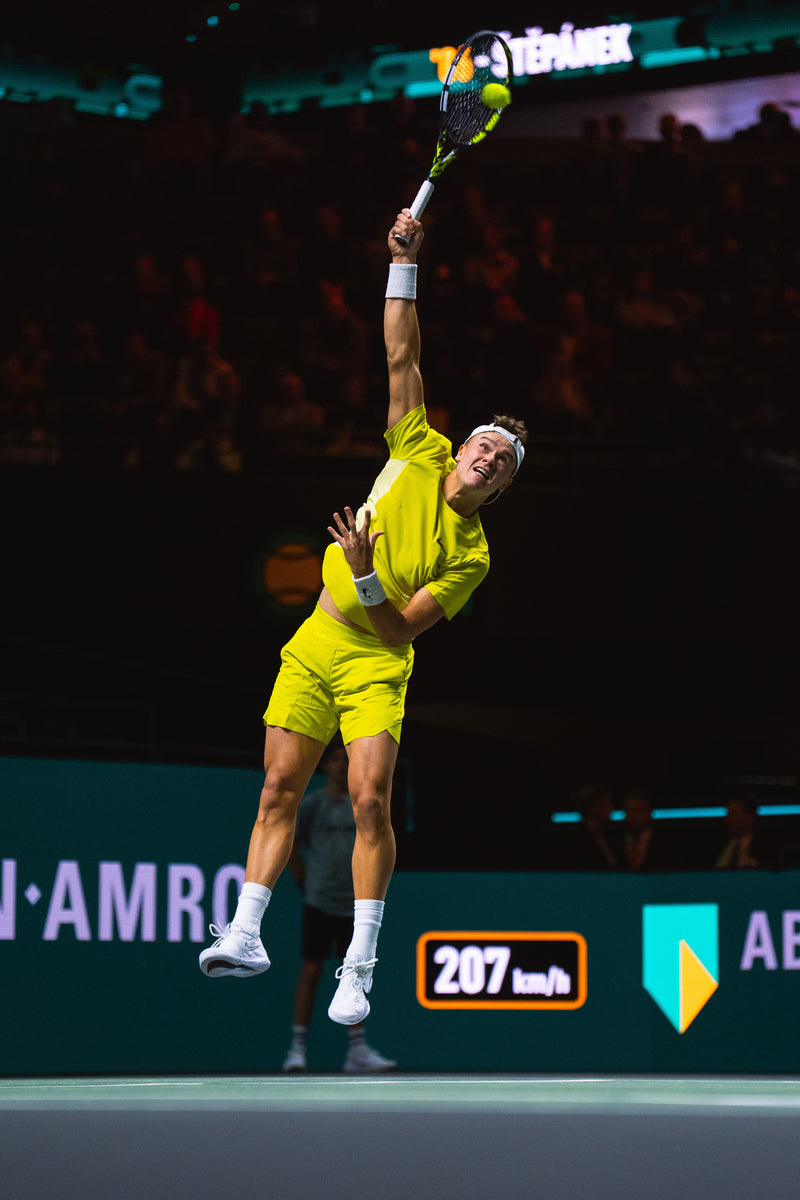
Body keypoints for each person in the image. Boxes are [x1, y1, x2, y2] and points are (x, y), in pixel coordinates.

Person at [199, 206, 527, 1029]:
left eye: (503, 461)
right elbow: (401, 348)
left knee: (371, 799)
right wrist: (402, 263)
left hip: (376, 662)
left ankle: (361, 964)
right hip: (315, 642)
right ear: (463, 449)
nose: (486, 456)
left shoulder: (473, 553)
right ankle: (244, 933)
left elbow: (400, 632)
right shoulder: (418, 446)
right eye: (485, 443)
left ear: (501, 487)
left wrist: (365, 573)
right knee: (279, 787)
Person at [281, 739, 397, 1073]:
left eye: (345, 758)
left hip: (356, 906)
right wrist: (303, 879)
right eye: (334, 759)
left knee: (355, 977)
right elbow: (290, 841)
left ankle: (357, 1052)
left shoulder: (364, 802)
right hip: (319, 901)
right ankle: (297, 1050)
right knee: (311, 973)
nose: (341, 764)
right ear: (325, 765)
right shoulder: (313, 805)